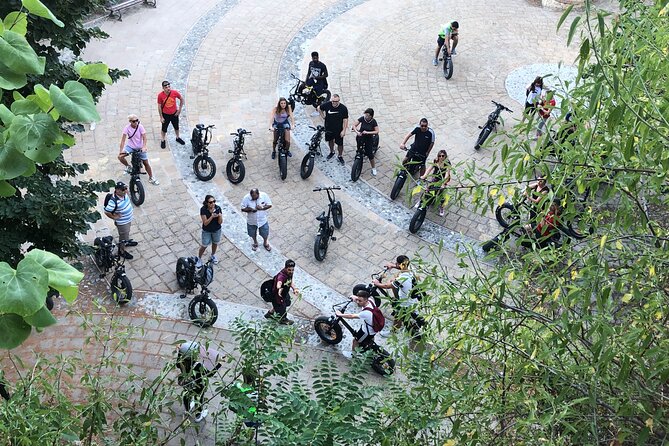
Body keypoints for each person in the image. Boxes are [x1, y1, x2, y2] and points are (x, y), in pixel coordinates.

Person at [372, 255, 422, 332]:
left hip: (405, 302)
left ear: (399, 264)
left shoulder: (401, 279)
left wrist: (377, 283)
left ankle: (394, 332)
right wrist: (392, 266)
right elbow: (402, 267)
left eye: (396, 263)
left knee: (398, 316)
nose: (396, 264)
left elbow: (387, 286)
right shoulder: (411, 268)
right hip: (413, 297)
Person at [176, 341, 222, 423]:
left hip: (186, 383)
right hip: (198, 385)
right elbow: (209, 374)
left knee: (186, 395)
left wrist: (180, 351)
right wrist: (219, 364)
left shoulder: (180, 361)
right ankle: (198, 415)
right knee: (199, 398)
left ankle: (188, 410)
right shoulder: (197, 365)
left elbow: (177, 363)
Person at [117, 114, 159, 185]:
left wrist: (144, 146)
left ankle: (151, 177)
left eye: (137, 120)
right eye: (134, 121)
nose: (136, 122)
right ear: (130, 121)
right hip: (130, 147)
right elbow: (123, 140)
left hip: (140, 147)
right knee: (120, 157)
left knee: (146, 163)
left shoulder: (140, 127)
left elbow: (144, 138)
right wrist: (121, 150)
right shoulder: (127, 128)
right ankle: (128, 166)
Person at [104, 181, 134, 260]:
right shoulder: (113, 201)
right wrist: (114, 217)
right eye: (123, 189)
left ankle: (126, 241)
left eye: (125, 188)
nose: (125, 190)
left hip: (128, 219)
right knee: (123, 236)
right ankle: (121, 251)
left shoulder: (124, 194)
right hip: (123, 222)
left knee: (126, 233)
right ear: (117, 190)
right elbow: (107, 211)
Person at [265, 259, 299, 324]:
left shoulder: (289, 273)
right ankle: (283, 320)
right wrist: (279, 286)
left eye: (292, 270)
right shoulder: (281, 276)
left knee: (287, 302)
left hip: (284, 293)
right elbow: (279, 282)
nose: (291, 271)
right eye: (289, 270)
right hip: (278, 296)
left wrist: (294, 288)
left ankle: (270, 313)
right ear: (285, 268)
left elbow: (290, 281)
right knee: (282, 309)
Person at [317, 94, 349, 165]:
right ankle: (332, 151)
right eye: (333, 101)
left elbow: (345, 120)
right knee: (330, 141)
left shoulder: (343, 108)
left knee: (340, 144)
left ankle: (340, 155)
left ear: (339, 100)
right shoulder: (327, 105)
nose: (334, 103)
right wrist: (323, 116)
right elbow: (319, 108)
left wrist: (344, 130)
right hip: (329, 128)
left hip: (338, 129)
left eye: (336, 101)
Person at [419, 149, 451, 216]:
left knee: (441, 194)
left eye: (443, 156)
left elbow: (447, 174)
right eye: (440, 156)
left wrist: (443, 183)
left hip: (442, 179)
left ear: (445, 156)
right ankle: (421, 201)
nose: (441, 157)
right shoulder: (435, 161)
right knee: (427, 189)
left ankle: (441, 207)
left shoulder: (447, 163)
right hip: (435, 178)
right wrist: (424, 176)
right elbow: (429, 169)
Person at [157, 80, 185, 149]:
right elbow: (159, 107)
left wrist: (179, 110)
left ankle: (177, 137)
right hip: (165, 115)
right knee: (164, 128)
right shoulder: (160, 95)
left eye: (169, 86)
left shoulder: (174, 93)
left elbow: (181, 99)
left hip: (174, 114)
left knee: (176, 127)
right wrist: (161, 117)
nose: (168, 88)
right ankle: (163, 140)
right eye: (166, 87)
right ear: (163, 88)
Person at [351, 108, 380, 176]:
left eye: (367, 115)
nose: (366, 116)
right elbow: (354, 125)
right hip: (360, 136)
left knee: (370, 154)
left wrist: (368, 132)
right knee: (358, 148)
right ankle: (358, 157)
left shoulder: (373, 121)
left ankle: (373, 168)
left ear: (371, 116)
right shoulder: (362, 118)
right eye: (365, 114)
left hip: (368, 138)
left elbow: (377, 131)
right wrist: (357, 131)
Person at [197, 195, 223, 267]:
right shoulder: (203, 210)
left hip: (216, 230)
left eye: (214, 201)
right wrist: (212, 216)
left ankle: (213, 255)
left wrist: (220, 216)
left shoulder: (218, 208)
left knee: (215, 243)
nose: (213, 204)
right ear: (207, 203)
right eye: (211, 202)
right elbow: (205, 223)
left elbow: (220, 222)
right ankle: (199, 258)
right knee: (204, 245)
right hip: (207, 231)